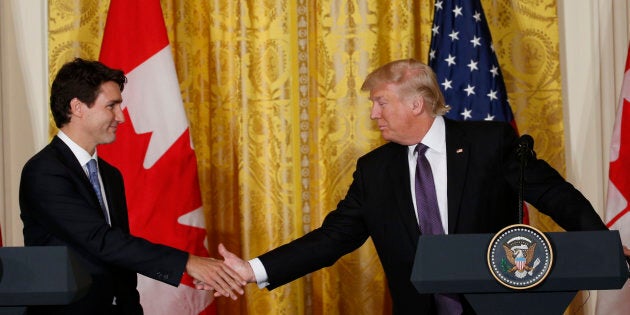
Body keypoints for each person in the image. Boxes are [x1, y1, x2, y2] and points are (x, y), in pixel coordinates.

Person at [211, 58, 625, 314]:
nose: (374, 114)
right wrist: (252, 269)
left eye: (380, 102)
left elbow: (556, 195)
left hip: (498, 306)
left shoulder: (489, 143)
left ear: (416, 104)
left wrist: (602, 246)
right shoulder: (375, 170)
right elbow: (333, 238)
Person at [19, 58, 245, 314]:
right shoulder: (44, 171)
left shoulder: (109, 175)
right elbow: (102, 241)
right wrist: (186, 263)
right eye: (112, 106)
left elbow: (120, 262)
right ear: (78, 107)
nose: (121, 117)